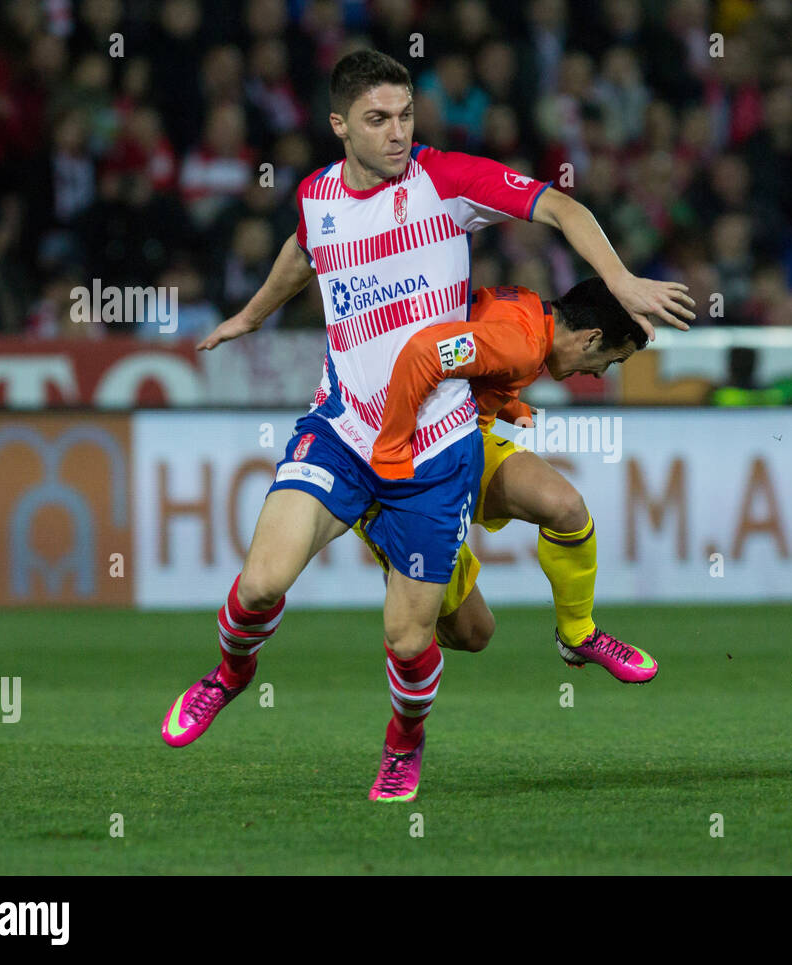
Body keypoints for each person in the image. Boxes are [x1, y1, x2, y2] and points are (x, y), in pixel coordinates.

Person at [160, 50, 694, 806]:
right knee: (258, 585)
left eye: (406, 115)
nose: (398, 133)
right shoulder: (316, 194)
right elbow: (305, 249)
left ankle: (404, 742)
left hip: (435, 450)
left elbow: (562, 207)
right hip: (343, 429)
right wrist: (252, 314)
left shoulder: (446, 182)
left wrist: (622, 281)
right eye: (378, 119)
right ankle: (228, 675)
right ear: (340, 124)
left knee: (413, 639)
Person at [356, 278, 658, 697]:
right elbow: (429, 352)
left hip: (461, 443)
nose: (598, 373)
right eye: (611, 361)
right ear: (592, 338)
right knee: (472, 634)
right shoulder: (521, 343)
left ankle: (578, 634)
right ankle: (382, 525)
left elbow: (473, 348)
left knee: (565, 507)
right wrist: (390, 453)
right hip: (410, 466)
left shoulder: (529, 310)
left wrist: (507, 403)